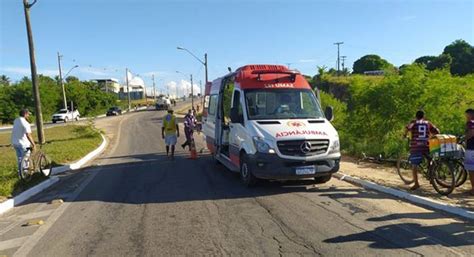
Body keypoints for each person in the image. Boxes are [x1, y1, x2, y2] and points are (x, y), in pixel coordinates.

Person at [404, 110, 440, 190]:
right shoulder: (428, 123)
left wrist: (404, 135)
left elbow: (408, 128)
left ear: (416, 116)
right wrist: (433, 137)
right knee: (429, 160)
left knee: (414, 165)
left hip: (416, 147)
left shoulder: (414, 122)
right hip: (427, 145)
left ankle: (416, 184)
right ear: (423, 116)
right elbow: (437, 131)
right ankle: (431, 175)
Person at [11, 109, 35, 174]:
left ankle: (20, 173)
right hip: (23, 144)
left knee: (20, 159)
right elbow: (28, 135)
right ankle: (25, 174)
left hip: (15, 143)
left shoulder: (16, 120)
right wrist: (33, 144)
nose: (28, 116)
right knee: (26, 159)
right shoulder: (26, 123)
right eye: (28, 114)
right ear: (25, 114)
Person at [464, 108, 474, 195]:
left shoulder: (470, 122)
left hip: (471, 148)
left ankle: (473, 189)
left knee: (471, 170)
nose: (466, 117)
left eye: (466, 115)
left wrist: (463, 138)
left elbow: (471, 133)